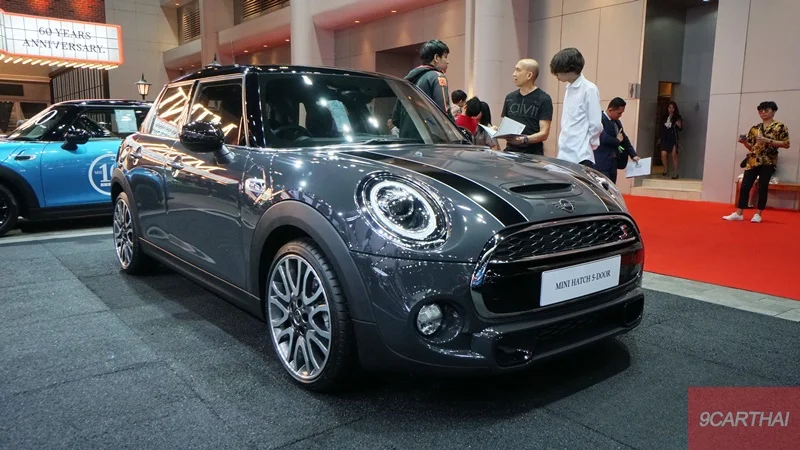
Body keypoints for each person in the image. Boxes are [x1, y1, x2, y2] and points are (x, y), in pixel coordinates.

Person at [723, 101, 790, 223]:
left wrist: (767, 140)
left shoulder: (780, 127)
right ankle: (739, 213)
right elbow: (751, 147)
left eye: (766, 110)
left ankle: (758, 213)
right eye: (760, 111)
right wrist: (744, 142)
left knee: (762, 187)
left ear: (773, 112)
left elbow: (786, 144)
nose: (763, 112)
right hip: (753, 160)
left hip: (768, 161)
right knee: (745, 186)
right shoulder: (755, 128)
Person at [550, 47, 602, 167]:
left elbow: (596, 124)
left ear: (570, 70)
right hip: (564, 152)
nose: (556, 75)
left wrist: (588, 143)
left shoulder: (589, 89)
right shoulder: (569, 88)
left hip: (580, 155)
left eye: (558, 71)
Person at [392, 39, 451, 139]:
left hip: (406, 141)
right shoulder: (438, 77)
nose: (447, 61)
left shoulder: (408, 79)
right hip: (429, 141)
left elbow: (395, 119)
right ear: (436, 58)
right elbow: (444, 114)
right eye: (445, 57)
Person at [499, 59, 553, 155]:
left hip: (532, 155)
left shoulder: (544, 99)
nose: (514, 74)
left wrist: (524, 139)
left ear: (529, 75)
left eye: (518, 70)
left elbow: (544, 133)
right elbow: (506, 126)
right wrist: (497, 130)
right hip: (510, 152)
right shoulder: (510, 97)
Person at [596, 97, 640, 183]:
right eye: (619, 113)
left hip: (613, 163)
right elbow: (603, 138)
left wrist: (633, 155)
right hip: (601, 163)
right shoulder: (599, 119)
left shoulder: (617, 122)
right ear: (610, 110)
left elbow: (624, 139)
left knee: (612, 187)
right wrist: (617, 140)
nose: (620, 116)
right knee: (603, 188)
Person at [658, 101, 682, 178]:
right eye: (669, 107)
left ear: (675, 109)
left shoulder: (677, 117)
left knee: (674, 155)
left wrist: (679, 125)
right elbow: (661, 128)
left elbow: (680, 128)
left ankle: (676, 173)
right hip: (665, 138)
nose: (671, 109)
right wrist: (660, 137)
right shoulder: (664, 117)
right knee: (663, 154)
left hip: (673, 138)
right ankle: (665, 169)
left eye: (673, 108)